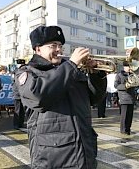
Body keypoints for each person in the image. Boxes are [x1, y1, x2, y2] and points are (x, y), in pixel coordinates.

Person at [14, 25, 107, 168]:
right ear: (38, 49)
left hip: (84, 151)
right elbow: (39, 97)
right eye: (53, 46)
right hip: (52, 156)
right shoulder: (27, 72)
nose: (58, 50)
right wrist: (71, 65)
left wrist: (96, 75)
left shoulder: (71, 69)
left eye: (60, 45)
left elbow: (94, 99)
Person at [114, 61, 136, 135]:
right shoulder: (119, 75)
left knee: (130, 115)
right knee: (124, 115)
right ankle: (123, 130)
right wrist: (125, 86)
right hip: (124, 98)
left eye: (130, 66)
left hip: (131, 97)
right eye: (127, 66)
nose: (129, 68)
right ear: (124, 67)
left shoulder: (132, 75)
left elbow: (137, 83)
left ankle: (128, 129)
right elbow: (116, 85)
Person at [12, 59, 26, 129]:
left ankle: (19, 124)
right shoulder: (18, 71)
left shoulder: (17, 71)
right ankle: (17, 124)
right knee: (19, 110)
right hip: (19, 93)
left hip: (19, 93)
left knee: (20, 110)